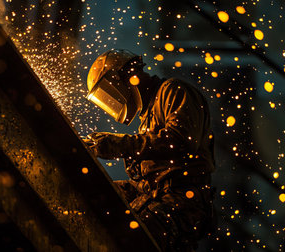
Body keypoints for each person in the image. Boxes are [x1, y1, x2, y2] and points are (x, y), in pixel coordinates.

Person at [84, 49, 215, 251]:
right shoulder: (148, 116)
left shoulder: (172, 91)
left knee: (131, 240)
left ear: (121, 79)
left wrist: (118, 145)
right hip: (160, 197)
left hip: (181, 200)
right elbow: (151, 174)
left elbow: (179, 141)